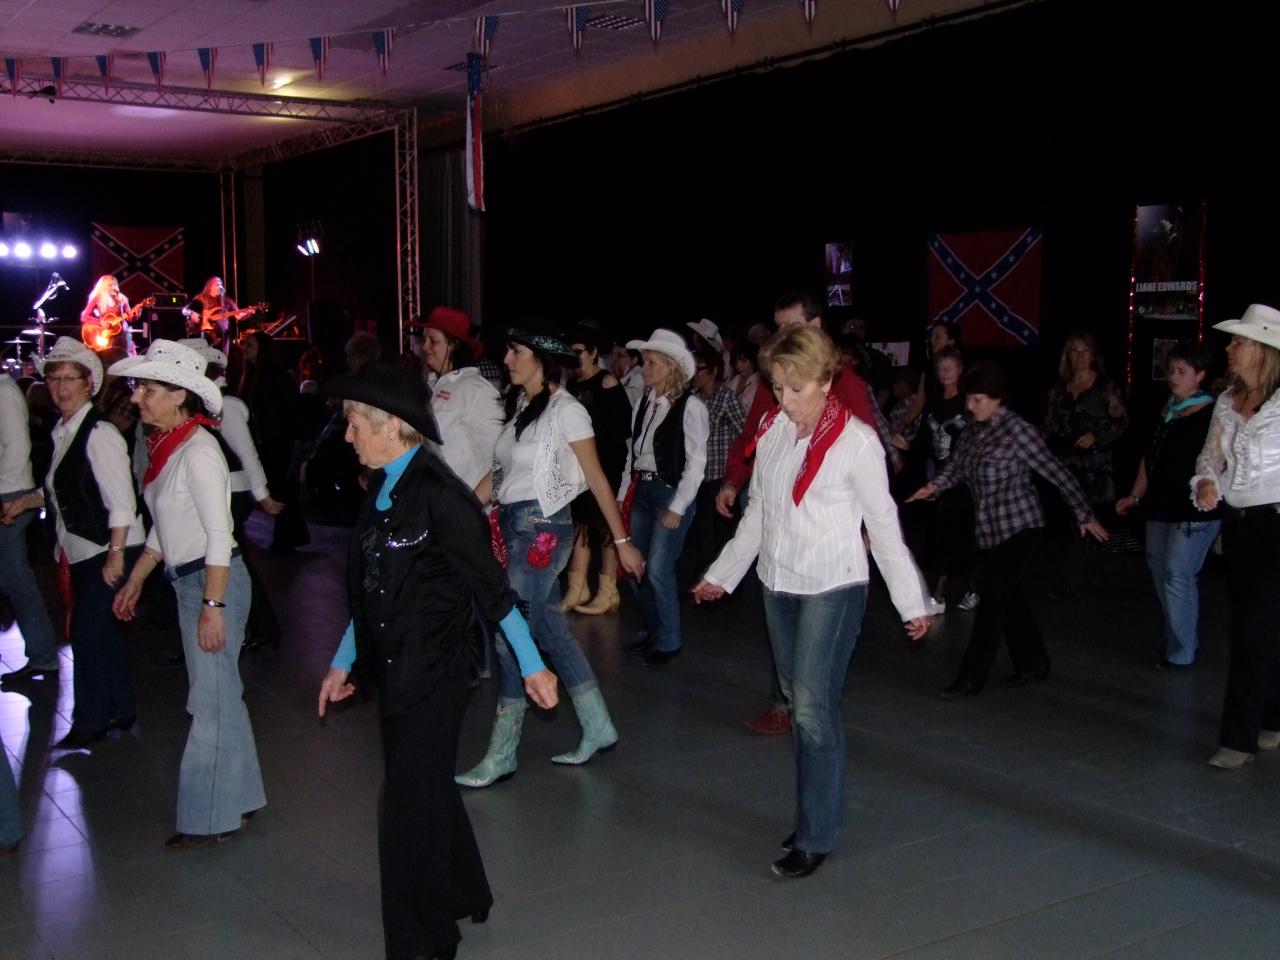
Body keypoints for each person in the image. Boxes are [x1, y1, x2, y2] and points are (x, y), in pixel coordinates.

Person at [316, 361, 559, 960]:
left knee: (404, 806)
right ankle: (464, 888)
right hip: (394, 667)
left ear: (391, 425)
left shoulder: (443, 498)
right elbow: (371, 589)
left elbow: (493, 592)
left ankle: (423, 938)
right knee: (425, 788)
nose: (348, 435)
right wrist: (343, 661)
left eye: (355, 423)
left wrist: (533, 665)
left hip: (437, 672)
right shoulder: (379, 488)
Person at [692, 325, 929, 879]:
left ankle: (816, 834)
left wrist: (911, 601)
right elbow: (759, 513)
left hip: (832, 586)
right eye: (778, 387)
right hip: (778, 585)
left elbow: (884, 527)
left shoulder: (857, 443)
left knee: (813, 711)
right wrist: (722, 574)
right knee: (801, 707)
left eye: (796, 388)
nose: (785, 399)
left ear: (826, 381)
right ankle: (812, 815)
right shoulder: (774, 431)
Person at [456, 326, 645, 788]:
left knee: (510, 631)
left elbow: (596, 478)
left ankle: (503, 752)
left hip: (542, 531)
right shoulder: (523, 408)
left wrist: (622, 542)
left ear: (540, 359)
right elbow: (499, 476)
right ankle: (598, 725)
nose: (507, 359)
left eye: (516, 351)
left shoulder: (567, 410)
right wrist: (459, 509)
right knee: (547, 627)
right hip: (512, 526)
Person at [109, 340, 266, 848]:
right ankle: (242, 796)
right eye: (139, 388)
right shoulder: (171, 444)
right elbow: (168, 525)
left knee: (208, 704)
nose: (137, 397)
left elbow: (219, 535)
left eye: (148, 389)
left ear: (179, 395)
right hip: (191, 581)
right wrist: (138, 576)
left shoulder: (198, 451)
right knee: (221, 695)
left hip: (212, 581)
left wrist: (213, 607)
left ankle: (207, 818)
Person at [718, 291, 880, 735]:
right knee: (779, 606)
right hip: (774, 511)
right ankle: (786, 701)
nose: (783, 334)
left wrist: (867, 526)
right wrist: (734, 479)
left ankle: (801, 706)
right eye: (779, 327)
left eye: (792, 325)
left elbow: (867, 455)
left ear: (817, 324)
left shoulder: (844, 383)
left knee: (813, 669)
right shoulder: (775, 380)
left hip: (826, 543)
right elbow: (754, 435)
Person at [907, 362, 1108, 699]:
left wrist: (1084, 514)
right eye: (968, 399)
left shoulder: (1017, 431)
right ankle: (1034, 662)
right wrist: (933, 487)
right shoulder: (974, 428)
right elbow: (957, 467)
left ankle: (970, 679)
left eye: (977, 400)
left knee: (993, 602)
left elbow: (1056, 472)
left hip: (1021, 527)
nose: (970, 406)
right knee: (1009, 597)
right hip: (990, 531)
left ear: (997, 398)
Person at [5, 340, 145, 747]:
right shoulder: (64, 429)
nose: (60, 387)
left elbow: (123, 504)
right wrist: (26, 501)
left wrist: (115, 558)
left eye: (70, 379)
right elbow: (63, 488)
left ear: (89, 384)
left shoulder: (99, 433)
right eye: (53, 379)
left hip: (111, 547)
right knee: (104, 633)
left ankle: (90, 720)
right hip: (85, 549)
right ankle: (121, 707)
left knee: (85, 633)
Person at [1191, 305, 1280, 770]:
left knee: (1252, 630)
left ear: (1262, 349)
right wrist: (1207, 482)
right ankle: (1272, 714)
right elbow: (1210, 458)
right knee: (1258, 626)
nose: (1229, 347)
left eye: (1238, 341)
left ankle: (1237, 739)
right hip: (1241, 526)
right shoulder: (1227, 401)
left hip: (1276, 524)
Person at [1115, 339, 1219, 670]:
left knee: (1178, 574)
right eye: (1171, 370)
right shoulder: (1167, 410)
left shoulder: (1213, 414)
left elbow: (1217, 462)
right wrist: (1135, 495)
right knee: (1160, 571)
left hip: (1192, 507)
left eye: (1181, 371)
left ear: (1199, 375)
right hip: (1160, 505)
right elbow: (1151, 457)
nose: (1173, 377)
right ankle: (1178, 636)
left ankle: (1181, 650)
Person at [178, 339, 285, 651]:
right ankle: (258, 626)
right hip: (223, 492)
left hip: (232, 494)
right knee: (234, 561)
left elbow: (247, 453)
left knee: (235, 562)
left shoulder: (227, 406)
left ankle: (261, 626)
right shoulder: (207, 406)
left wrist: (262, 494)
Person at [616, 328, 708, 665]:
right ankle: (654, 629)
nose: (645, 368)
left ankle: (669, 641)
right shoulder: (643, 403)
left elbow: (696, 463)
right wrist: (623, 494)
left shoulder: (691, 406)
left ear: (671, 366)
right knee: (635, 568)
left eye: (652, 362)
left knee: (657, 569)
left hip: (670, 493)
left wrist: (679, 506)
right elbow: (633, 454)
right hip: (642, 491)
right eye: (645, 362)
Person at [1043, 330, 1128, 599]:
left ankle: (1075, 580)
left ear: (1093, 354)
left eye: (1084, 350)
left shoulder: (1105, 387)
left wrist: (1097, 437)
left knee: (1090, 519)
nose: (1079, 356)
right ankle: (1082, 576)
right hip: (1066, 464)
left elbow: (1120, 422)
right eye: (1074, 351)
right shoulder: (1059, 390)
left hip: (1095, 466)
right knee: (1069, 521)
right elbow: (1048, 425)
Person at [564, 326, 633, 615]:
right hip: (580, 467)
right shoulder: (572, 384)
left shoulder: (607, 382)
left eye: (578, 352)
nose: (573, 357)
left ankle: (608, 590)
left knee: (606, 526)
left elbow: (623, 429)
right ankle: (578, 588)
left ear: (593, 352)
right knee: (580, 524)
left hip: (606, 466)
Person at [0, 373, 61, 685]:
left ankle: (43, 654)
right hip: (9, 491)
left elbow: (17, 448)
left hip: (9, 493)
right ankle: (43, 654)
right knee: (14, 577)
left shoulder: (4, 392)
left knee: (15, 578)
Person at [416, 307, 503, 498]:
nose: (425, 346)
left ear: (453, 345)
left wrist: (474, 505)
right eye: (424, 339)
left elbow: (502, 460)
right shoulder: (431, 385)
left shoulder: (475, 389)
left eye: (433, 341)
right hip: (434, 502)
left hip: (463, 506)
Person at [681, 346, 745, 589]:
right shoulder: (693, 397)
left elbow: (744, 434)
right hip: (696, 475)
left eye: (701, 369)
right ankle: (700, 579)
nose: (696, 375)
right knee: (698, 531)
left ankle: (710, 581)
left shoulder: (726, 397)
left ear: (714, 370)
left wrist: (737, 474)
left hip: (719, 475)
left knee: (713, 533)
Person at [239, 332, 308, 550]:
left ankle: (287, 537)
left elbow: (290, 410)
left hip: (279, 441)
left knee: (281, 488)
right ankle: (290, 535)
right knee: (281, 488)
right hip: (269, 441)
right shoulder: (252, 376)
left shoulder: (274, 377)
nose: (245, 349)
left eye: (250, 345)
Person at [79, 275, 138, 354]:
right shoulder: (98, 299)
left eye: (114, 285)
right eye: (110, 285)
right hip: (106, 335)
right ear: (104, 287)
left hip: (122, 335)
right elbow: (84, 317)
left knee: (123, 355)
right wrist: (100, 322)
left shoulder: (122, 298)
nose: (113, 287)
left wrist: (137, 312)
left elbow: (130, 318)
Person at [728, 342, 760, 415]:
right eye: (736, 362)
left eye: (744, 361)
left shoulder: (758, 384)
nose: (739, 366)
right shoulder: (734, 380)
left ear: (753, 360)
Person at [611, 343, 646, 410]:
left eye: (620, 356)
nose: (614, 360)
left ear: (634, 360)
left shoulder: (636, 379)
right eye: (613, 355)